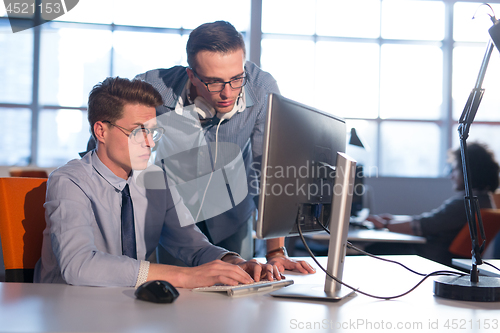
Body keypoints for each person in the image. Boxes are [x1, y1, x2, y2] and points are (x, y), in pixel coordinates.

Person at [34, 77, 282, 288]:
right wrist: (184, 276)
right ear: (101, 131)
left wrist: (235, 263)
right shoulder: (69, 181)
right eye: (137, 131)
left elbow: (192, 245)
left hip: (127, 307)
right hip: (68, 309)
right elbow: (79, 266)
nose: (150, 143)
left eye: (152, 131)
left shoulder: (156, 181)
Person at [135, 21, 315, 274]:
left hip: (233, 213)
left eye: (236, 78)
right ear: (192, 76)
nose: (227, 93)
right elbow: (116, 145)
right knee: (176, 298)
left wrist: (275, 251)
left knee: (239, 294)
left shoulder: (261, 90)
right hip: (175, 218)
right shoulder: (154, 88)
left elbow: (270, 168)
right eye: (214, 82)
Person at [366, 142, 500, 266]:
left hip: (432, 258)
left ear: (469, 171)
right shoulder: (484, 200)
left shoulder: (466, 204)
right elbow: (431, 220)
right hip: (443, 257)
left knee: (371, 248)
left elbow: (422, 226)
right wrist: (395, 220)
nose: (451, 176)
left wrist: (384, 225)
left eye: (454, 170)